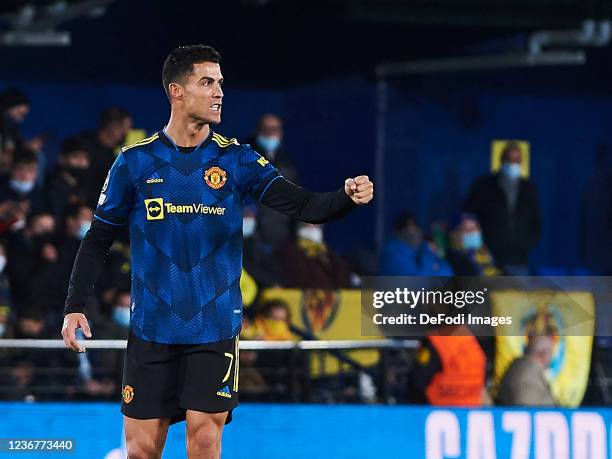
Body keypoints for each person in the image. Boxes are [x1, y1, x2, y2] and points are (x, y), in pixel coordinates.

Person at [61, 44, 373, 459]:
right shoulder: (134, 163)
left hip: (214, 327)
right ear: (177, 91)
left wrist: (346, 197)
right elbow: (98, 238)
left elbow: (304, 206)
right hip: (152, 327)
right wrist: (74, 304)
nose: (219, 92)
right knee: (140, 450)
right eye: (207, 82)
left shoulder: (237, 160)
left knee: (205, 439)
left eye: (220, 83)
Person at [464, 142, 541, 275]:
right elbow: (469, 216)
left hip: (520, 259)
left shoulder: (529, 188)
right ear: (501, 160)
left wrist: (527, 244)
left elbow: (536, 221)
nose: (513, 164)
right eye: (509, 160)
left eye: (517, 160)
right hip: (489, 258)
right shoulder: (484, 186)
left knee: (517, 294)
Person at [379, 212, 452, 276]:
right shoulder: (392, 252)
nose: (416, 232)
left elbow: (447, 273)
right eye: (410, 228)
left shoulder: (422, 249)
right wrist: (428, 256)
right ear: (400, 232)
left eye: (416, 227)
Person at [496, 335, 556, 406]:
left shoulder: (524, 369)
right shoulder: (528, 375)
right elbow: (527, 409)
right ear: (543, 354)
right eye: (550, 351)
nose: (552, 356)